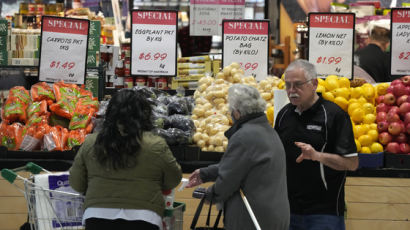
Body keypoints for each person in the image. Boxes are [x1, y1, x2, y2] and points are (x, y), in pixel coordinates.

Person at [69, 89, 182, 230]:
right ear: (144, 114)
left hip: (97, 216)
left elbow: (76, 183)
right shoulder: (155, 144)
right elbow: (173, 179)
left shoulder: (91, 142)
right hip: (144, 217)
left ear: (109, 113)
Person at [187, 84, 290, 230]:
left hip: (252, 218)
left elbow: (228, 180)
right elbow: (242, 165)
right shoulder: (268, 130)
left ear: (237, 113)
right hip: (274, 216)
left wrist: (209, 194)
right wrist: (206, 173)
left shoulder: (244, 136)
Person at [274, 59, 358, 230]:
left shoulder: (334, 115)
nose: (291, 91)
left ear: (314, 84)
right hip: (288, 209)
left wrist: (317, 156)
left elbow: (352, 163)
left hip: (324, 213)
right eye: (287, 85)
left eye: (297, 85)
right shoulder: (284, 114)